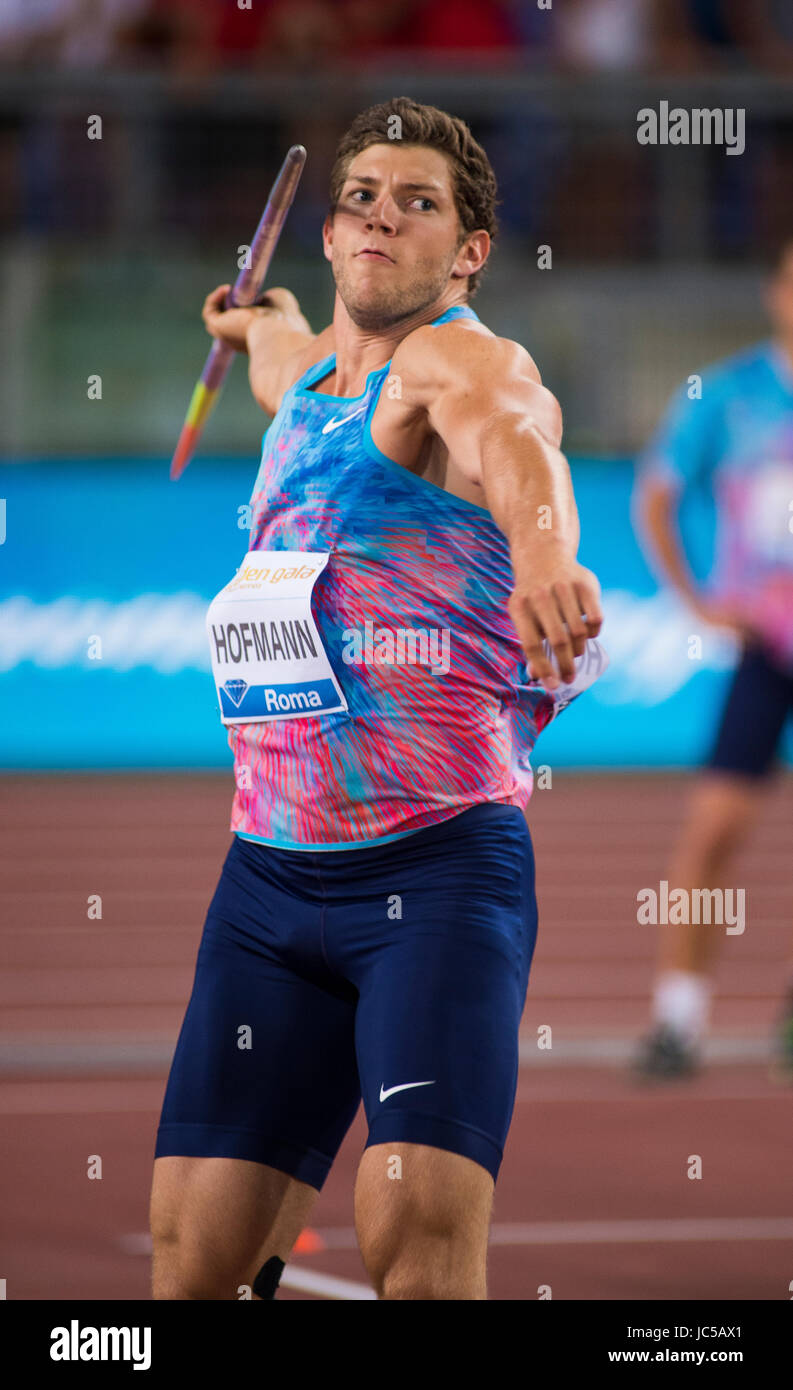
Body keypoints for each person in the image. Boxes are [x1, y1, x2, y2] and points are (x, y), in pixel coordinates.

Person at [150, 96, 604, 1301]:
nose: (379, 220)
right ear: (330, 231)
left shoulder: (456, 361)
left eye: (417, 205)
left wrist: (548, 552)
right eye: (361, 199)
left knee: (415, 1236)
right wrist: (262, 323)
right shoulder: (319, 381)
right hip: (265, 881)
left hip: (435, 878)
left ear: (467, 252)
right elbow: (292, 365)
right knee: (190, 1256)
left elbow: (513, 435)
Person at [632, 239, 793, 1081]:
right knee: (713, 833)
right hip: (765, 648)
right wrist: (697, 602)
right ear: (774, 290)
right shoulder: (727, 395)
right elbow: (655, 492)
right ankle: (677, 1020)